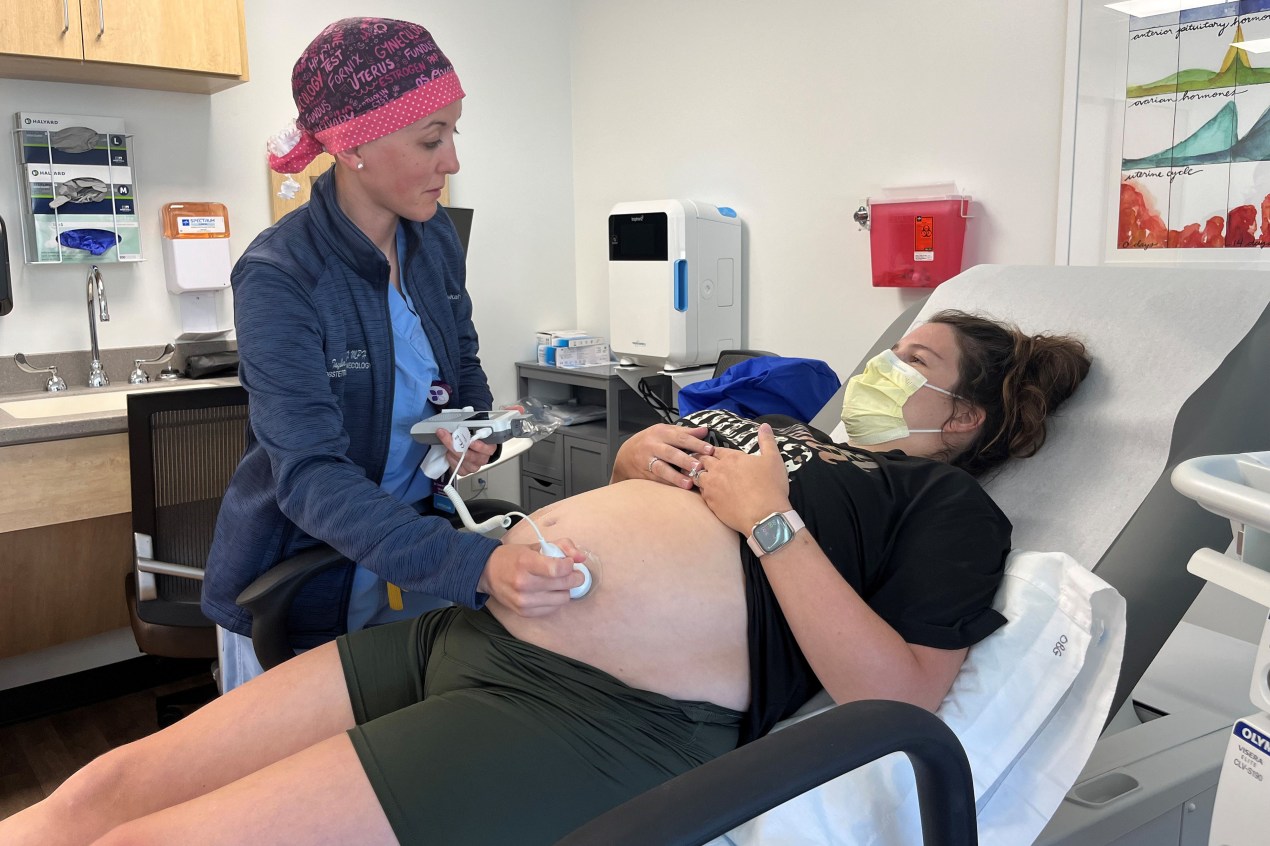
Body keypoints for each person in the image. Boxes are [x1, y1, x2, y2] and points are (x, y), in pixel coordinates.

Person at [1, 310, 1090, 845]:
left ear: (964, 421)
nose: (882, 368)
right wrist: (630, 468)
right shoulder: (783, 428)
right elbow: (662, 514)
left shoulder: (946, 507)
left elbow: (895, 700)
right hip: (472, 627)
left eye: (919, 366)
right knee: (97, 793)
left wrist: (769, 527)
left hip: (601, 712)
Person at [202, 18, 587, 690]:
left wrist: (472, 427)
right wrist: (474, 565)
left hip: (411, 563)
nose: (452, 161)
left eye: (454, 133)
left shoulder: (432, 238)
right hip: (301, 587)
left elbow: (460, 360)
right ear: (353, 149)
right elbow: (310, 476)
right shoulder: (279, 275)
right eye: (431, 139)